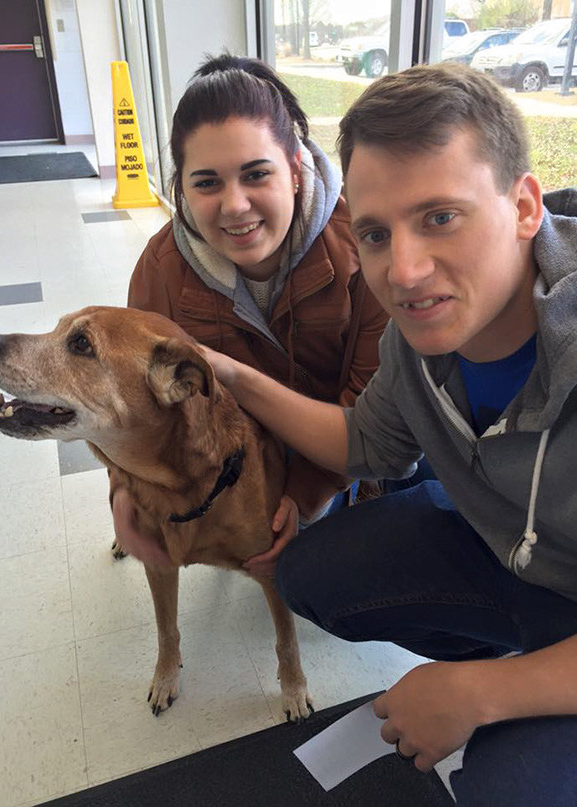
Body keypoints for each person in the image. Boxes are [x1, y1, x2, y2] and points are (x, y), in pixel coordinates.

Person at [202, 62, 577, 806]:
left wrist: (480, 692)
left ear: (524, 205)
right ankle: (527, 657)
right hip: (526, 562)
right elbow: (368, 445)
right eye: (374, 232)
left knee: (509, 790)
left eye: (439, 216)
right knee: (312, 573)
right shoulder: (417, 339)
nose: (402, 271)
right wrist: (238, 378)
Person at [111, 53, 388, 568]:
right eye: (207, 183)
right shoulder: (159, 271)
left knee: (316, 574)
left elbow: (370, 412)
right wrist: (124, 489)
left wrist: (305, 494)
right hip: (228, 457)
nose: (234, 206)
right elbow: (130, 398)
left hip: (334, 449)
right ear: (182, 189)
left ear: (297, 169)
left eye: (256, 174)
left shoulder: (366, 247)